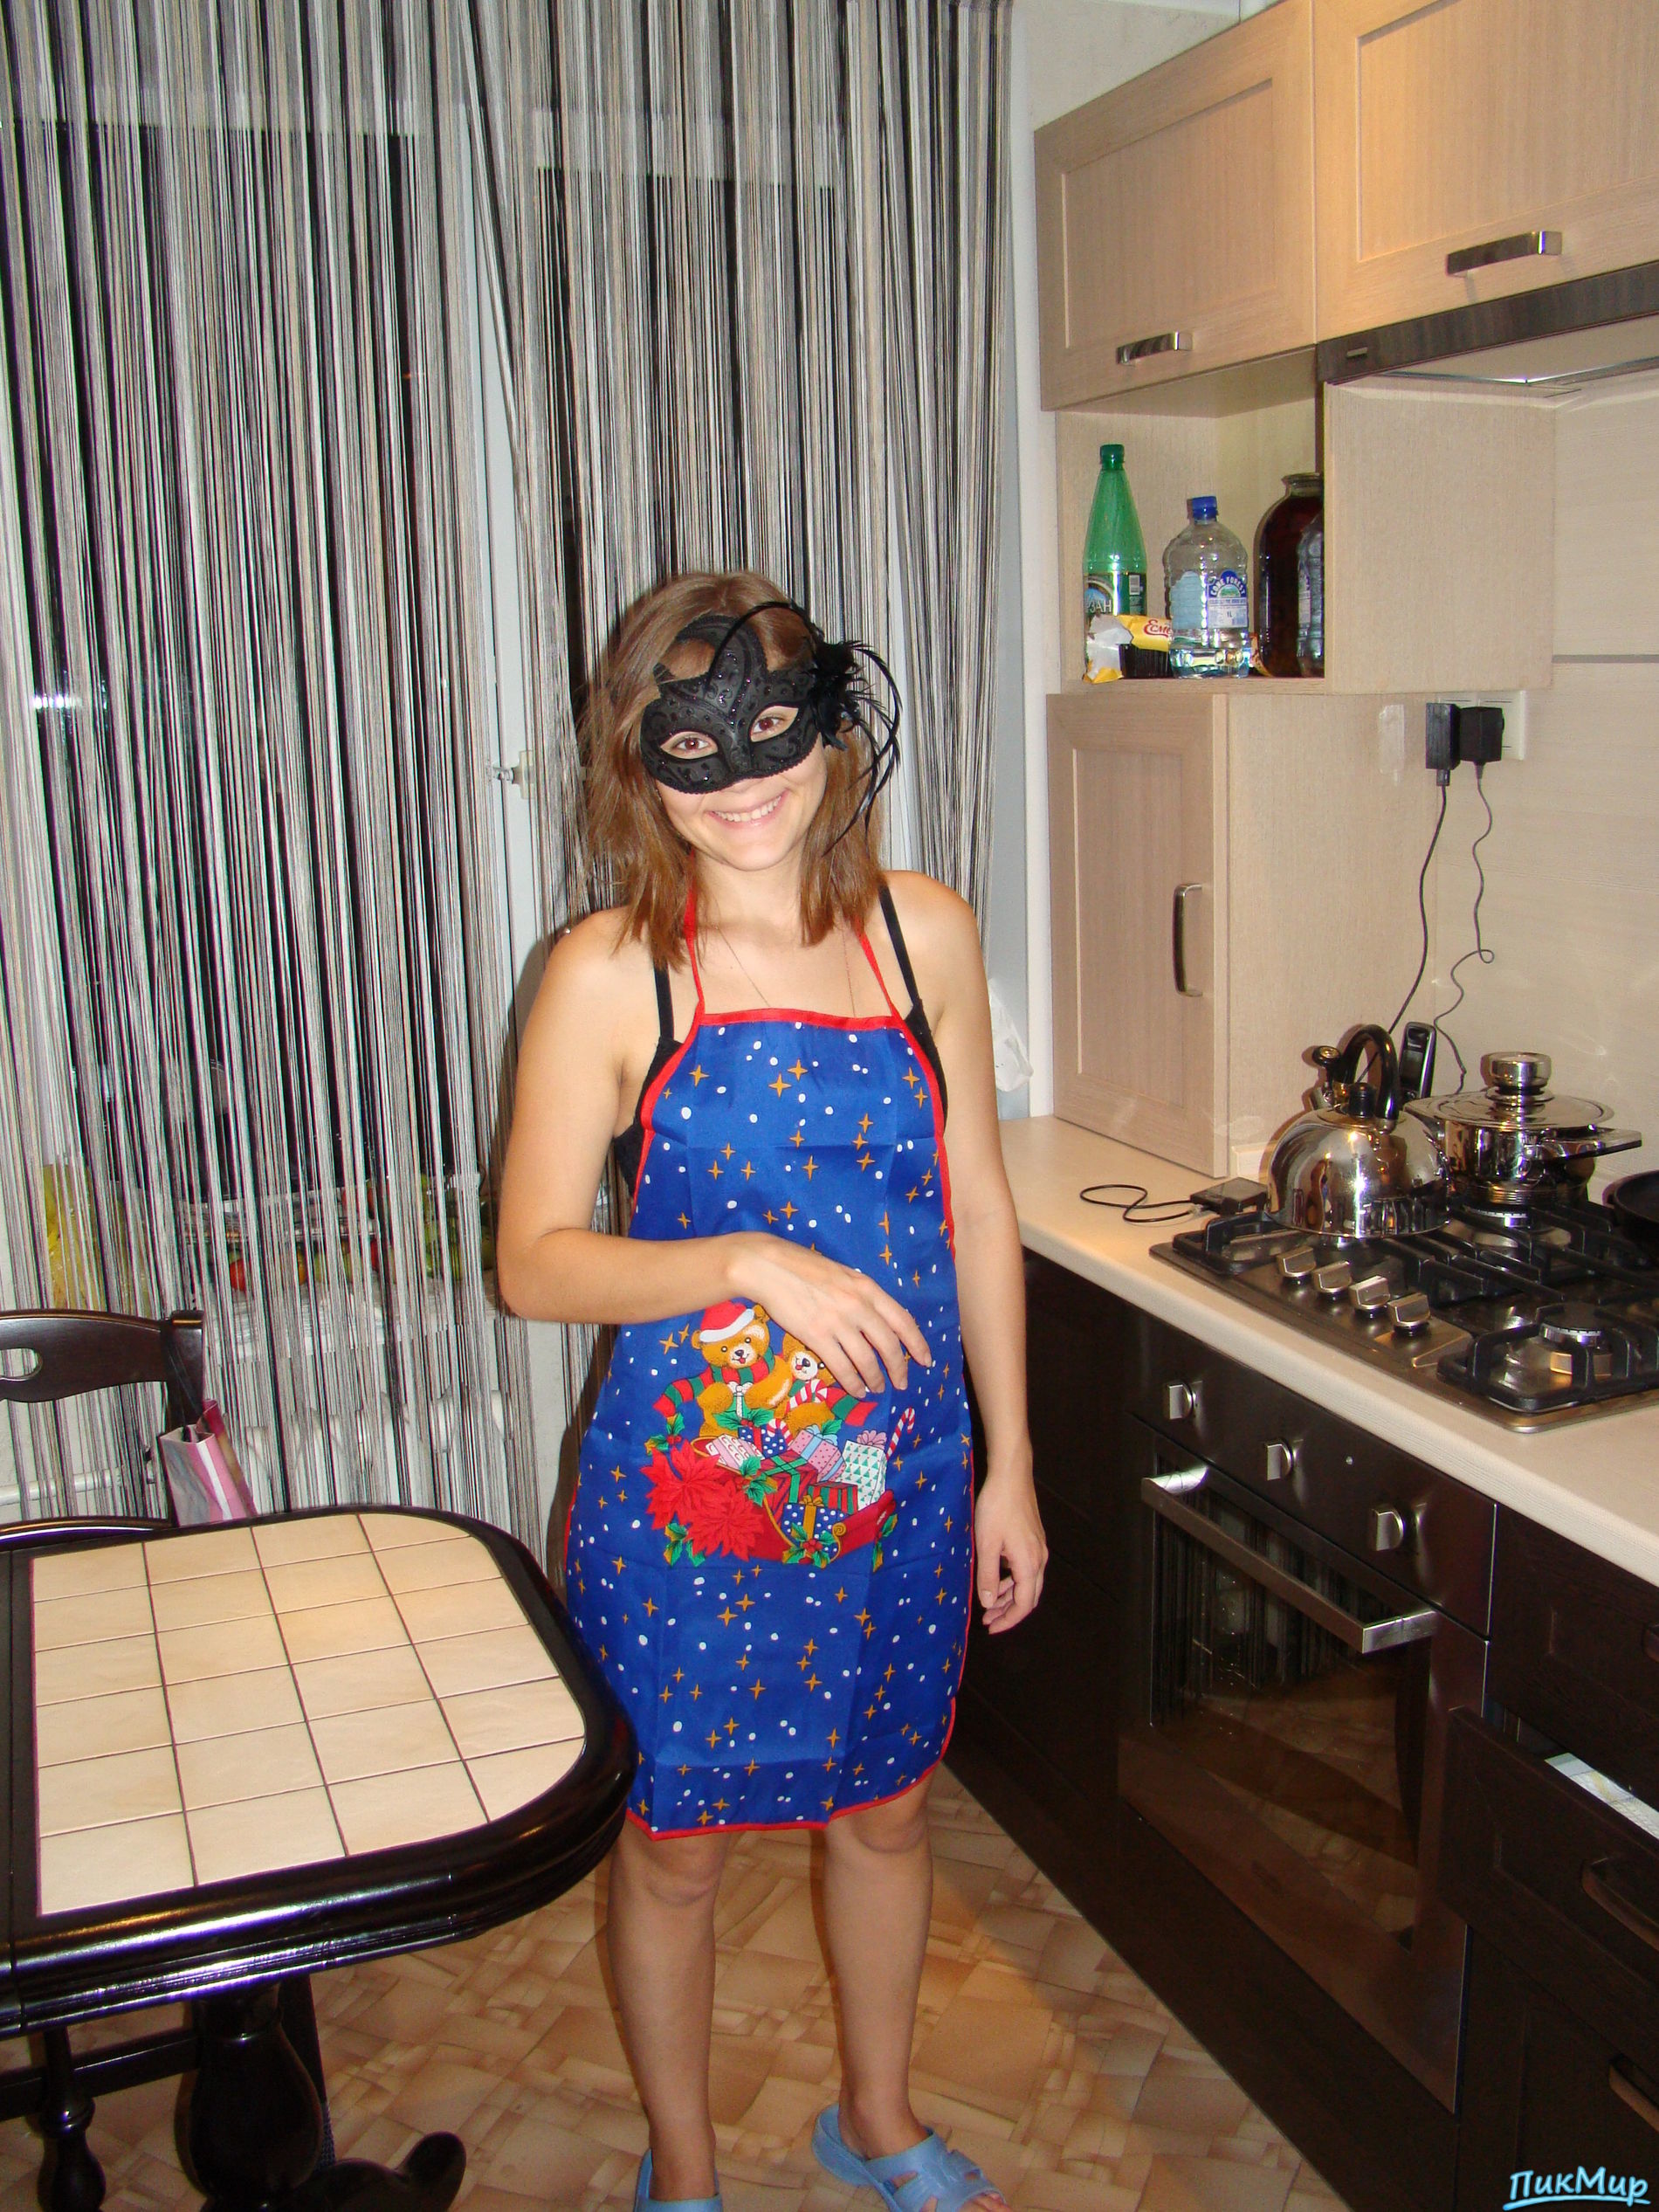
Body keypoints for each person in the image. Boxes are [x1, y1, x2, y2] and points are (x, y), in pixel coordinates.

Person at [497, 571, 1045, 2212]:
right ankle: (684, 2166)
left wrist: (1012, 1463)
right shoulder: (611, 972)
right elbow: (533, 1263)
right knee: (675, 1844)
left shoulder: (925, 931)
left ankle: (873, 2115)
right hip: (691, 1500)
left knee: (884, 1809)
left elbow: (980, 1209)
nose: (742, 782)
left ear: (835, 731)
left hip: (895, 1474)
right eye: (693, 750)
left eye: (774, 734)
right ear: (637, 765)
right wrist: (743, 1260)